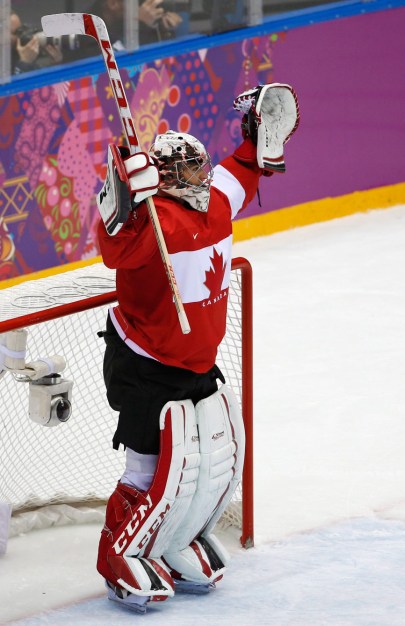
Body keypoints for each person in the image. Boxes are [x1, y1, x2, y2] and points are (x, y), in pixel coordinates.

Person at [95, 82, 300, 613]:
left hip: (195, 362)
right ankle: (119, 552)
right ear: (161, 177)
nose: (194, 177)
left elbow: (246, 163)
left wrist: (258, 129)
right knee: (147, 471)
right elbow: (111, 243)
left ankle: (170, 542)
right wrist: (121, 185)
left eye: (196, 166)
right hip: (143, 362)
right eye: (181, 170)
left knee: (204, 461)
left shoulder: (216, 204)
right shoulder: (151, 221)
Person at [10, 10, 63, 74]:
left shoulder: (22, 51)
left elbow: (41, 80)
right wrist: (25, 62)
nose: (20, 36)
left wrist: (55, 63)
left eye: (21, 29)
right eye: (15, 32)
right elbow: (15, 83)